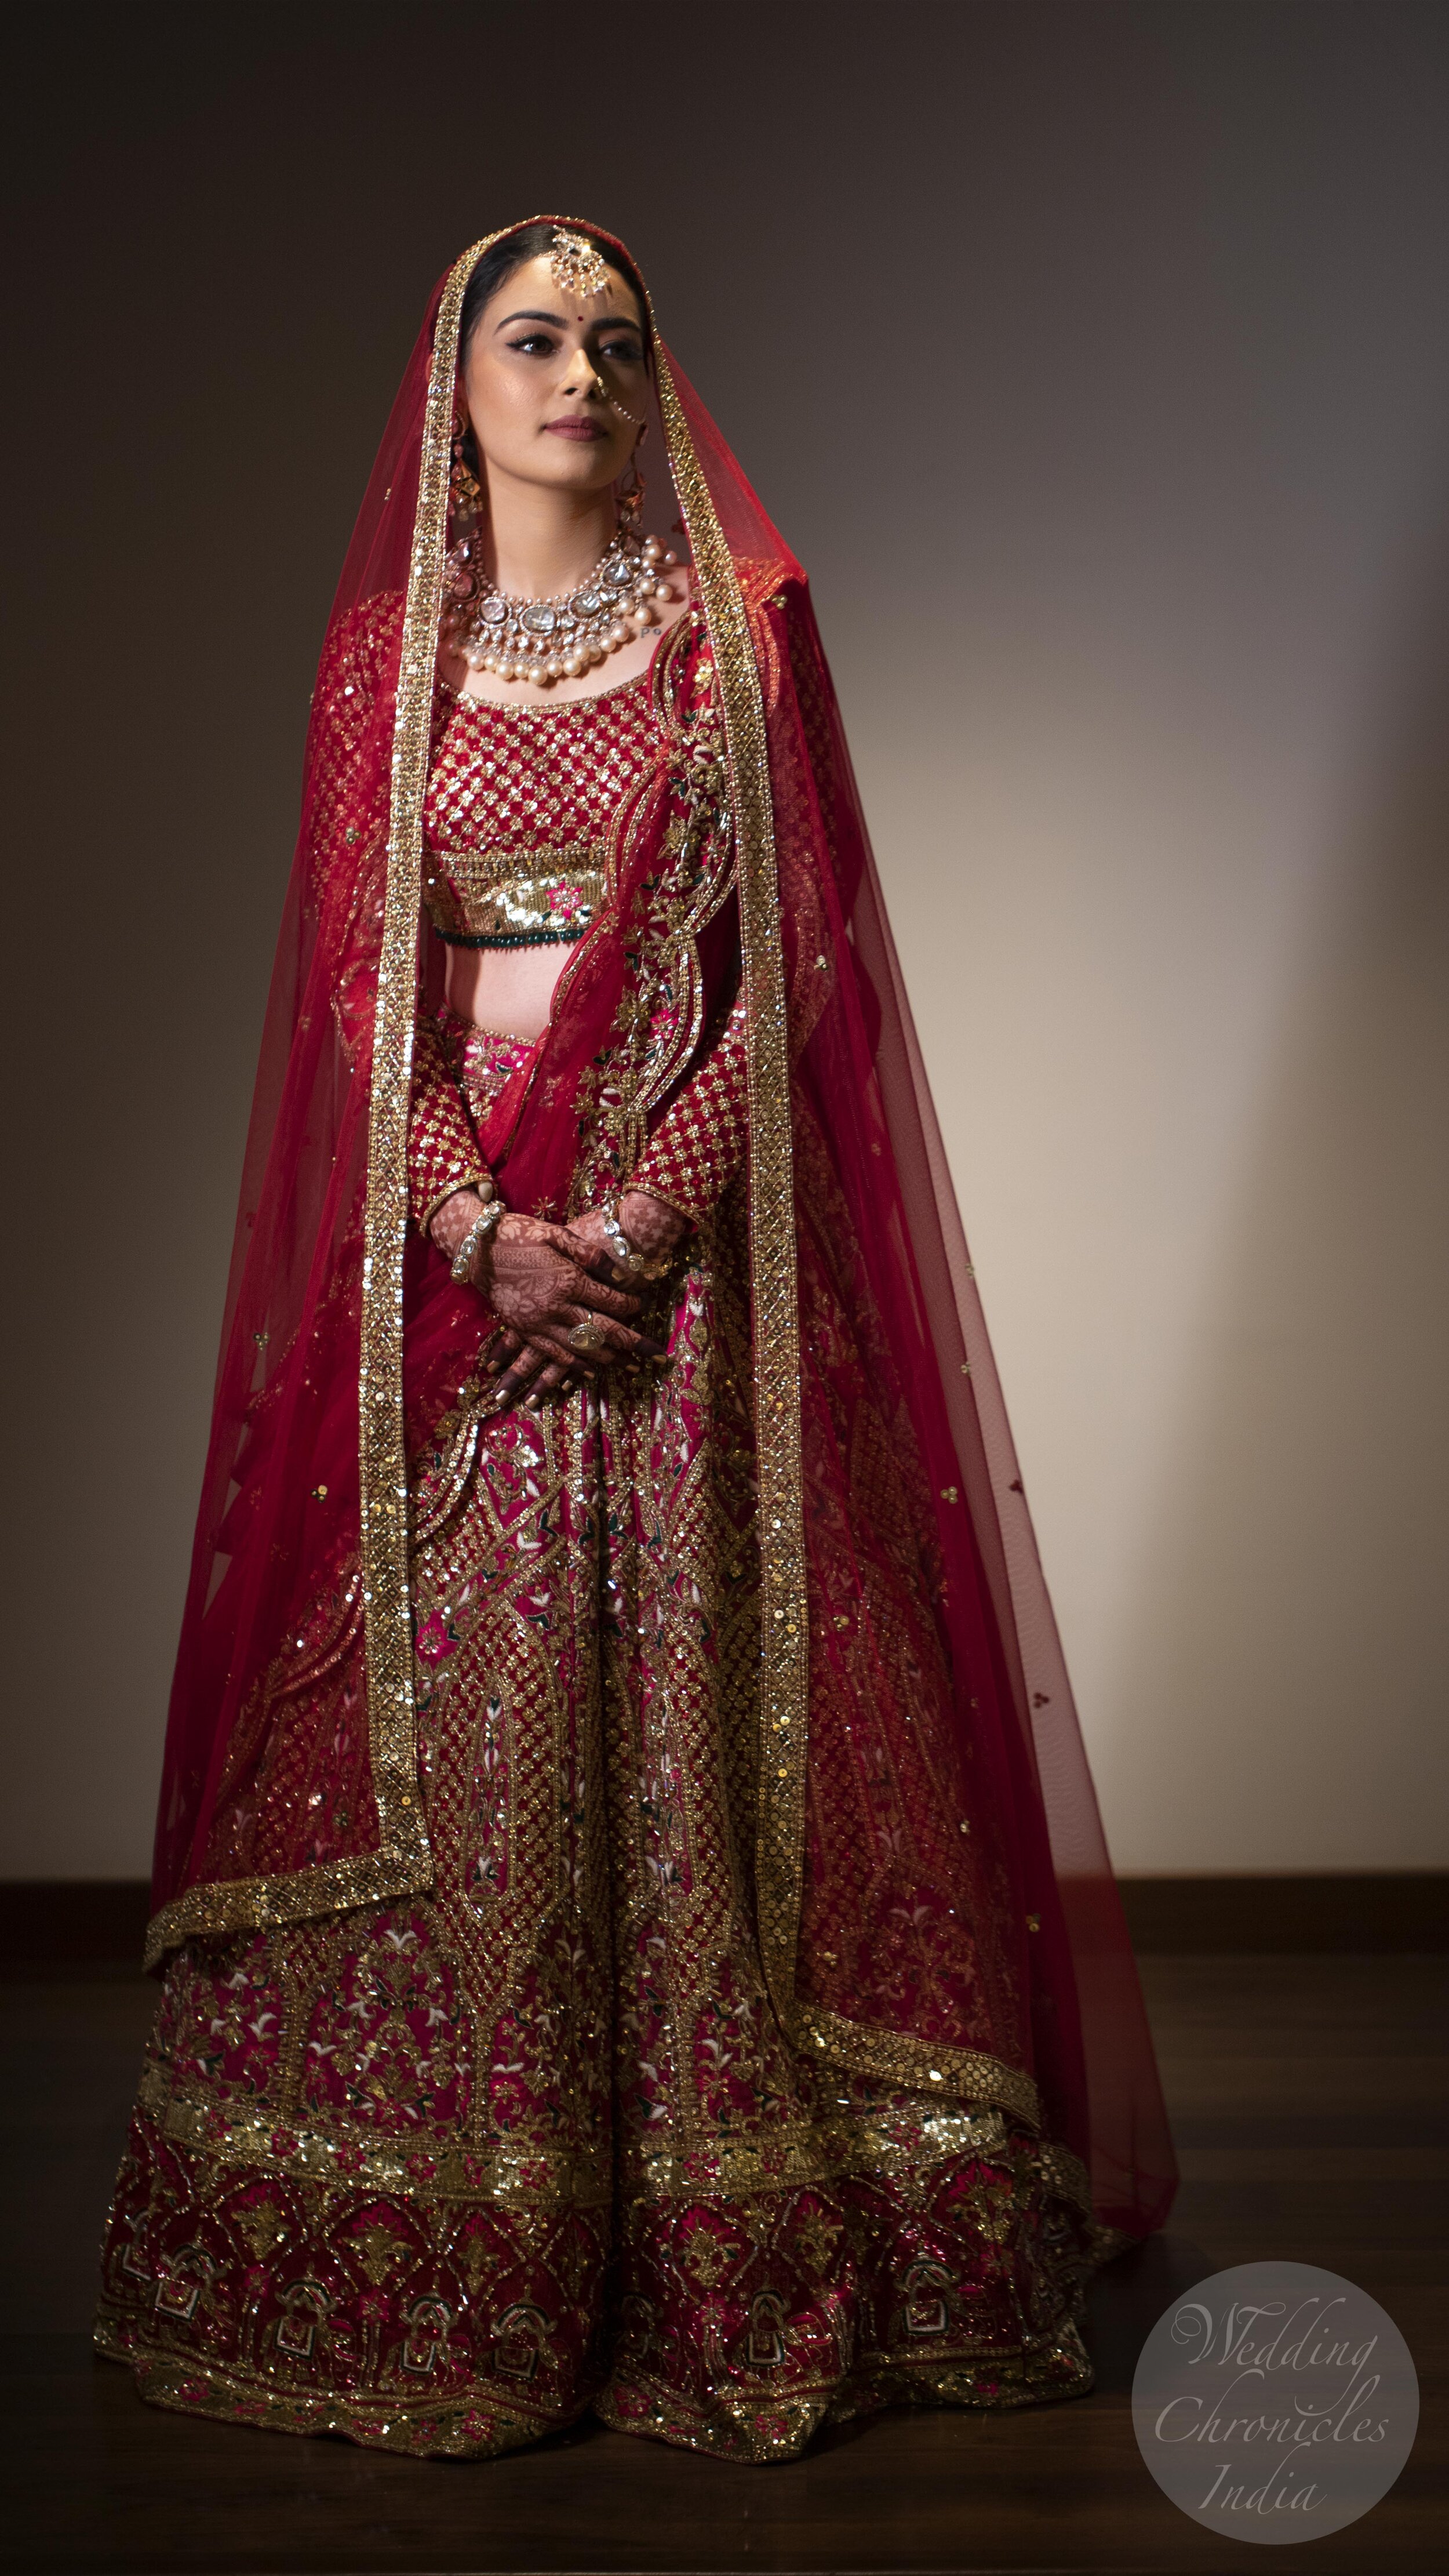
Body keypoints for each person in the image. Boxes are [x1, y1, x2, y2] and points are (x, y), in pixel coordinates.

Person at [95, 217, 1175, 2461]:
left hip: (679, 1276)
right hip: (466, 1270)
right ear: (452, 386)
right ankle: (481, 2220)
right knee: (462, 1727)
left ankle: (714, 2216)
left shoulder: (732, 644)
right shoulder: (387, 664)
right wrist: (479, 1227)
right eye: (532, 336)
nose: (578, 369)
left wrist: (638, 1218)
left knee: (695, 1707)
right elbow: (355, 990)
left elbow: (782, 980)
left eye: (614, 337)